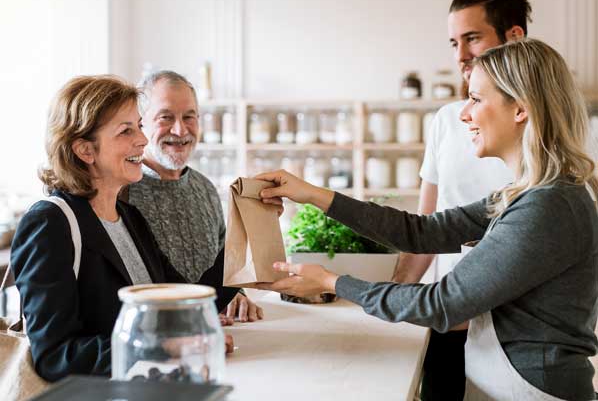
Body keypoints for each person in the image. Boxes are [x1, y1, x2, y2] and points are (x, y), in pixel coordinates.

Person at [257, 39, 598, 400]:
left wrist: (330, 282)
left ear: (520, 109)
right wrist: (312, 194)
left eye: (476, 99)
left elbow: (442, 304)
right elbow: (422, 232)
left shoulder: (548, 206)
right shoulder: (530, 193)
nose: (464, 113)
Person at [10, 76, 234, 382]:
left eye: (139, 126)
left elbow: (181, 301)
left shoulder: (129, 217)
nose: (142, 140)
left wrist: (246, 242)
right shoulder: (50, 223)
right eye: (126, 131)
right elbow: (54, 355)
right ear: (85, 150)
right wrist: (162, 348)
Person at [390, 0, 531, 400]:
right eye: (454, 41)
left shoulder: (556, 127)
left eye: (473, 38)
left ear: (514, 36)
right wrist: (396, 296)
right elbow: (426, 230)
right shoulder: (448, 120)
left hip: (515, 333)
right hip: (446, 320)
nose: (460, 55)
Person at [125, 70, 263, 322]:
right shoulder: (122, 192)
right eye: (165, 117)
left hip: (217, 334)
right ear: (140, 123)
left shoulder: (206, 189)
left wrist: (235, 295)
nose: (180, 130)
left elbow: (224, 258)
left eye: (189, 117)